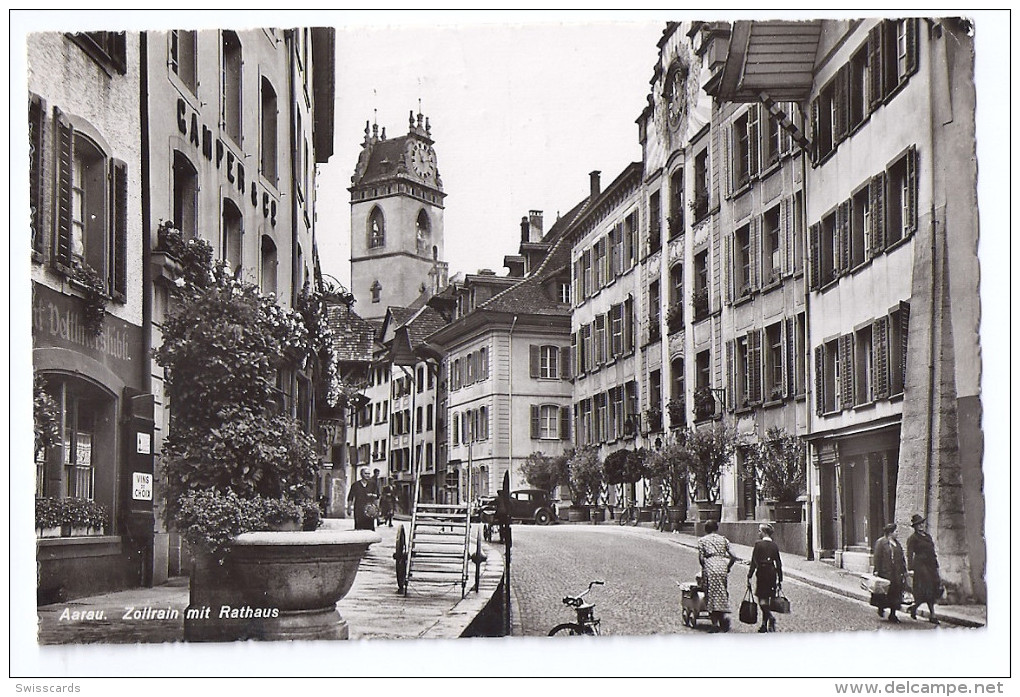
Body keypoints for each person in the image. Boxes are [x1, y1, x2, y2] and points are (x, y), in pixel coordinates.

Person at [697, 519, 740, 633]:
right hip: (722, 565)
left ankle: (715, 623)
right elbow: (734, 556)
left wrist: (704, 566)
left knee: (710, 593)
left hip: (710, 565)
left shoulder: (702, 540)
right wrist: (728, 567)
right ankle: (722, 618)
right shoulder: (724, 539)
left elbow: (701, 558)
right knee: (722, 591)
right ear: (716, 528)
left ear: (706, 529)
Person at [748, 522, 784, 633]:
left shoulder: (758, 545)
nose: (758, 533)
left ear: (763, 532)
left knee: (761, 599)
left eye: (759, 531)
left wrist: (749, 575)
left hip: (762, 572)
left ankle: (770, 617)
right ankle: (764, 624)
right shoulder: (774, 545)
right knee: (768, 598)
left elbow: (754, 562)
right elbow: (778, 563)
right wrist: (780, 578)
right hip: (772, 573)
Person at [906, 513, 941, 625]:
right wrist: (910, 568)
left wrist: (936, 566)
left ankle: (914, 608)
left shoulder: (928, 536)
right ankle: (932, 615)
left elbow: (932, 552)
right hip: (920, 567)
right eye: (918, 524)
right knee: (925, 590)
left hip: (931, 566)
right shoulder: (913, 538)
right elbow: (909, 554)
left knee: (933, 589)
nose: (921, 526)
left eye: (922, 523)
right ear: (915, 527)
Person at [872, 522, 908, 623]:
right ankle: (881, 608)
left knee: (896, 595)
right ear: (890, 532)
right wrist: (876, 570)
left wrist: (904, 571)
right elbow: (877, 557)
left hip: (896, 574)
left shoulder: (897, 544)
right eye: (896, 531)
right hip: (885, 573)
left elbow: (902, 558)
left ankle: (893, 615)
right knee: (884, 594)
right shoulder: (881, 542)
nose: (897, 533)